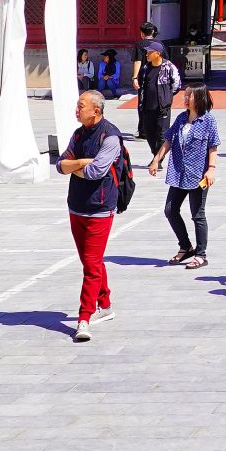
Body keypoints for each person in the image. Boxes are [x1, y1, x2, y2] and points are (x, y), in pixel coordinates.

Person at [57, 90, 124, 342]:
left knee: (92, 264)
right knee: (90, 262)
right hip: (76, 205)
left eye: (80, 106)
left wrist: (77, 166)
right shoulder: (78, 134)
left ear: (96, 111)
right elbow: (60, 165)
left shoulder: (110, 137)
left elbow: (96, 172)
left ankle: (84, 318)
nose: (76, 110)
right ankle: (104, 304)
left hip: (100, 208)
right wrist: (81, 162)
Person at [151, 86, 219, 269]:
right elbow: (169, 140)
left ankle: (201, 254)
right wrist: (156, 160)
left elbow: (213, 147)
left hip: (199, 175)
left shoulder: (208, 120)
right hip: (179, 173)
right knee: (170, 210)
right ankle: (185, 246)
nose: (186, 98)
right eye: (185, 95)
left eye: (190, 96)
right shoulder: (181, 118)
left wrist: (211, 169)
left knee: (198, 214)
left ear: (200, 97)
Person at [134, 41, 180, 165]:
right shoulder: (145, 68)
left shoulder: (168, 67)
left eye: (149, 52)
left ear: (158, 53)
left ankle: (157, 160)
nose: (147, 55)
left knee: (162, 134)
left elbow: (177, 84)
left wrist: (167, 97)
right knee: (149, 133)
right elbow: (142, 84)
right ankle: (156, 156)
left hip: (162, 107)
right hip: (147, 106)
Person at [131, 21, 160, 93]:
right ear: (152, 32)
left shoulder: (139, 44)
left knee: (144, 97)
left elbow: (138, 61)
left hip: (144, 76)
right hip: (158, 75)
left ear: (142, 33)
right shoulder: (160, 43)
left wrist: (135, 78)